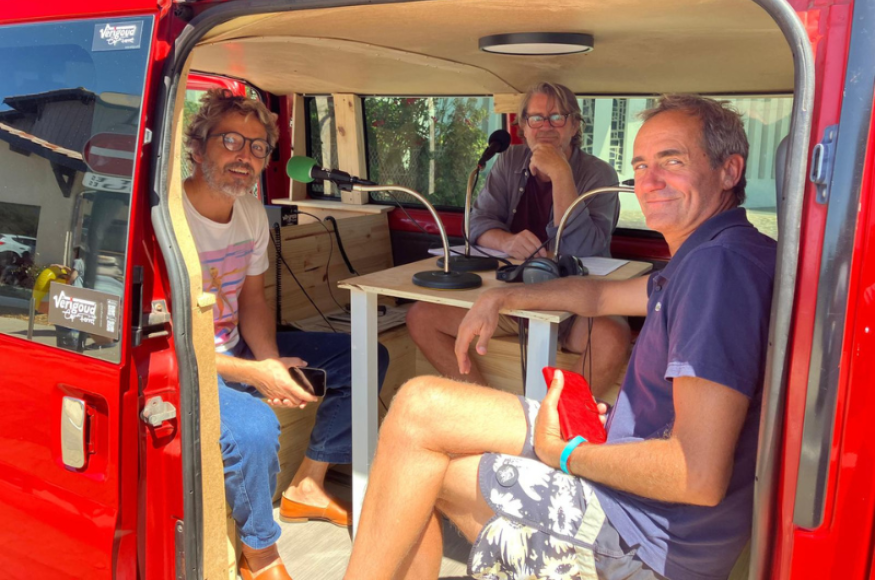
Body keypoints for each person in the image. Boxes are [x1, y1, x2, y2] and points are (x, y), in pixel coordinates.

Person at [345, 95, 776, 580]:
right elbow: (599, 295)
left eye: (672, 161)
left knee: (419, 446)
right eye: (640, 165)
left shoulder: (719, 269)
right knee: (420, 418)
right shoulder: (716, 252)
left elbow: (697, 475)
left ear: (729, 170)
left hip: (639, 539)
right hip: (639, 492)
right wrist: (503, 298)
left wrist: (567, 454)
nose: (649, 180)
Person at [182, 89, 389, 580]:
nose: (245, 156)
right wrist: (254, 373)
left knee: (366, 356)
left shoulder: (250, 212)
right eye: (231, 140)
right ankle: (260, 552)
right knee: (256, 429)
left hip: (236, 349)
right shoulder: (169, 222)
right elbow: (173, 343)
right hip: (187, 365)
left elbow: (253, 301)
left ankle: (307, 484)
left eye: (257, 147)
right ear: (197, 146)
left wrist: (269, 360)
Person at [406, 82, 628, 397]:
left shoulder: (599, 174)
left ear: (575, 125)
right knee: (422, 317)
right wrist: (506, 242)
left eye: (557, 117)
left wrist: (561, 174)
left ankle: (557, 423)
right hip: (510, 296)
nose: (546, 127)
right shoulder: (510, 161)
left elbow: (584, 248)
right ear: (523, 126)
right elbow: (477, 222)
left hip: (574, 303)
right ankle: (490, 415)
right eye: (536, 118)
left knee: (612, 336)